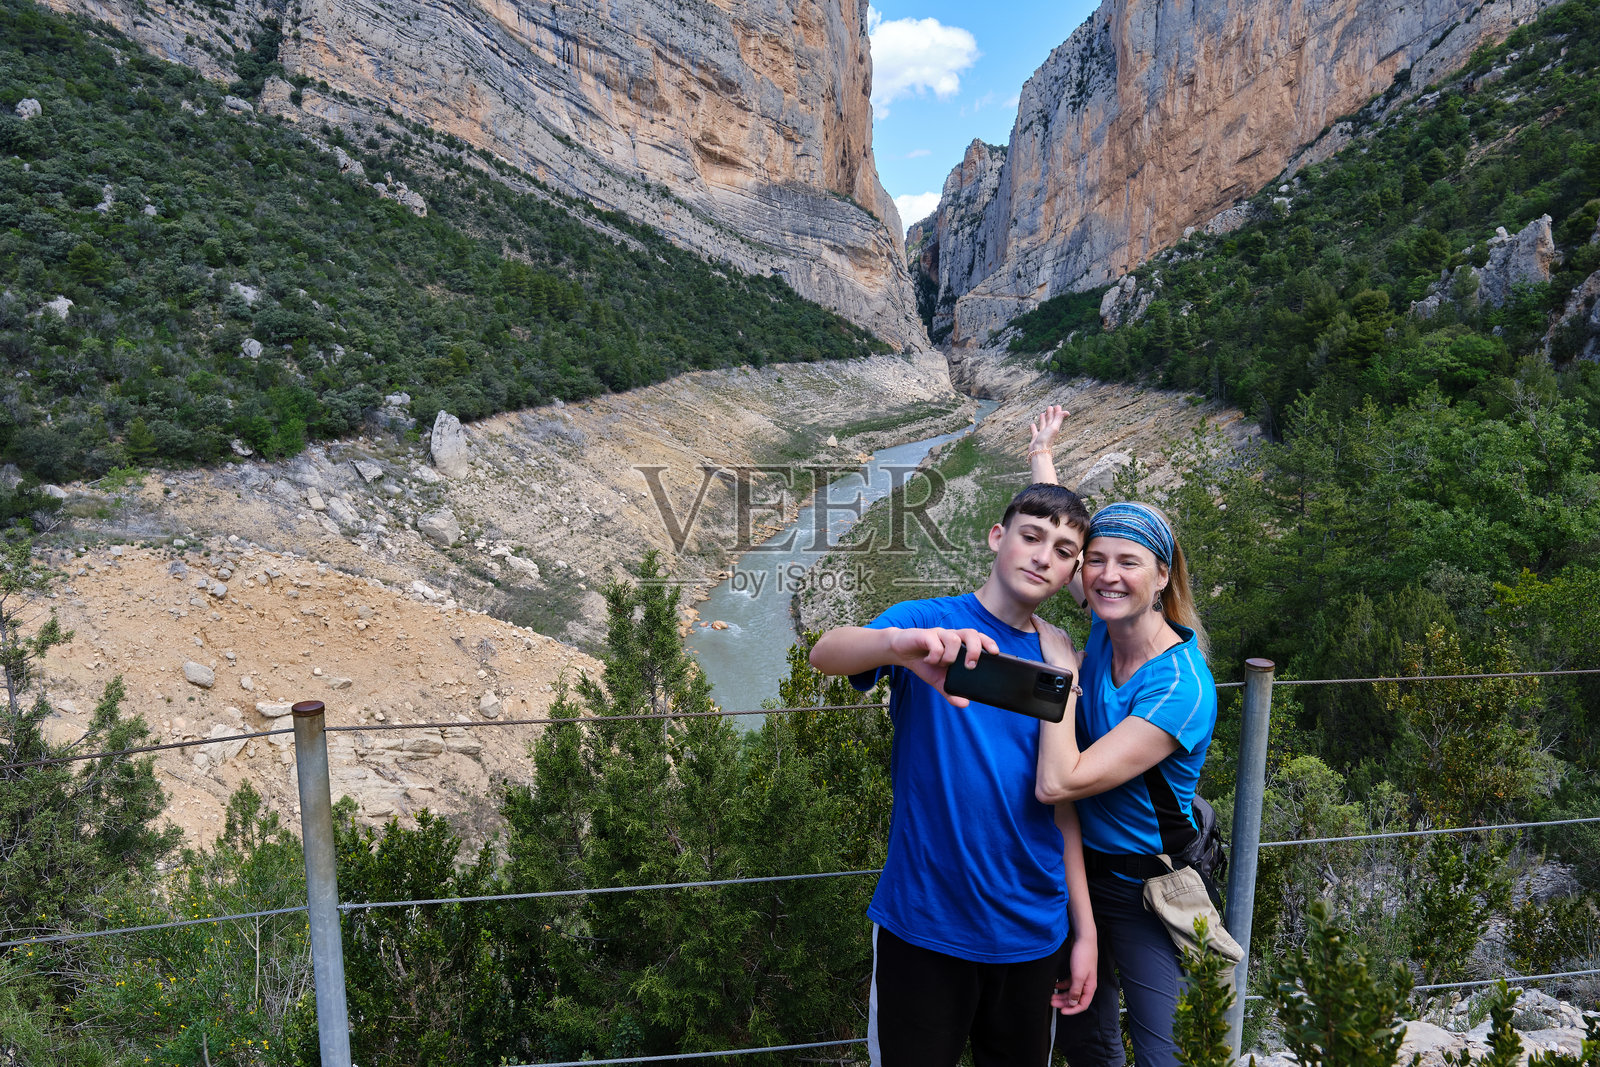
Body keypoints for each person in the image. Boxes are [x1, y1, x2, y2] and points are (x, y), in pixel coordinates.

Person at [808, 482, 1099, 1067]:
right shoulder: (929, 621)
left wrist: (1084, 932)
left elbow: (1062, 803)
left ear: (1071, 572)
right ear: (998, 537)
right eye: (1032, 536)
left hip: (1032, 931)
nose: (1044, 556)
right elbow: (827, 652)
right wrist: (901, 646)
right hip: (923, 923)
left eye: (1065, 550)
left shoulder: (1063, 656)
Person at [1025, 404, 1220, 1067]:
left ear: (1162, 577)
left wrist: (1059, 677)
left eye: (1128, 562)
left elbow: (1059, 780)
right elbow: (1072, 541)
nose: (1108, 573)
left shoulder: (1180, 687)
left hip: (1144, 884)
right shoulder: (1108, 625)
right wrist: (1041, 455)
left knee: (1156, 1049)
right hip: (1075, 866)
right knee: (1085, 1038)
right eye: (1097, 562)